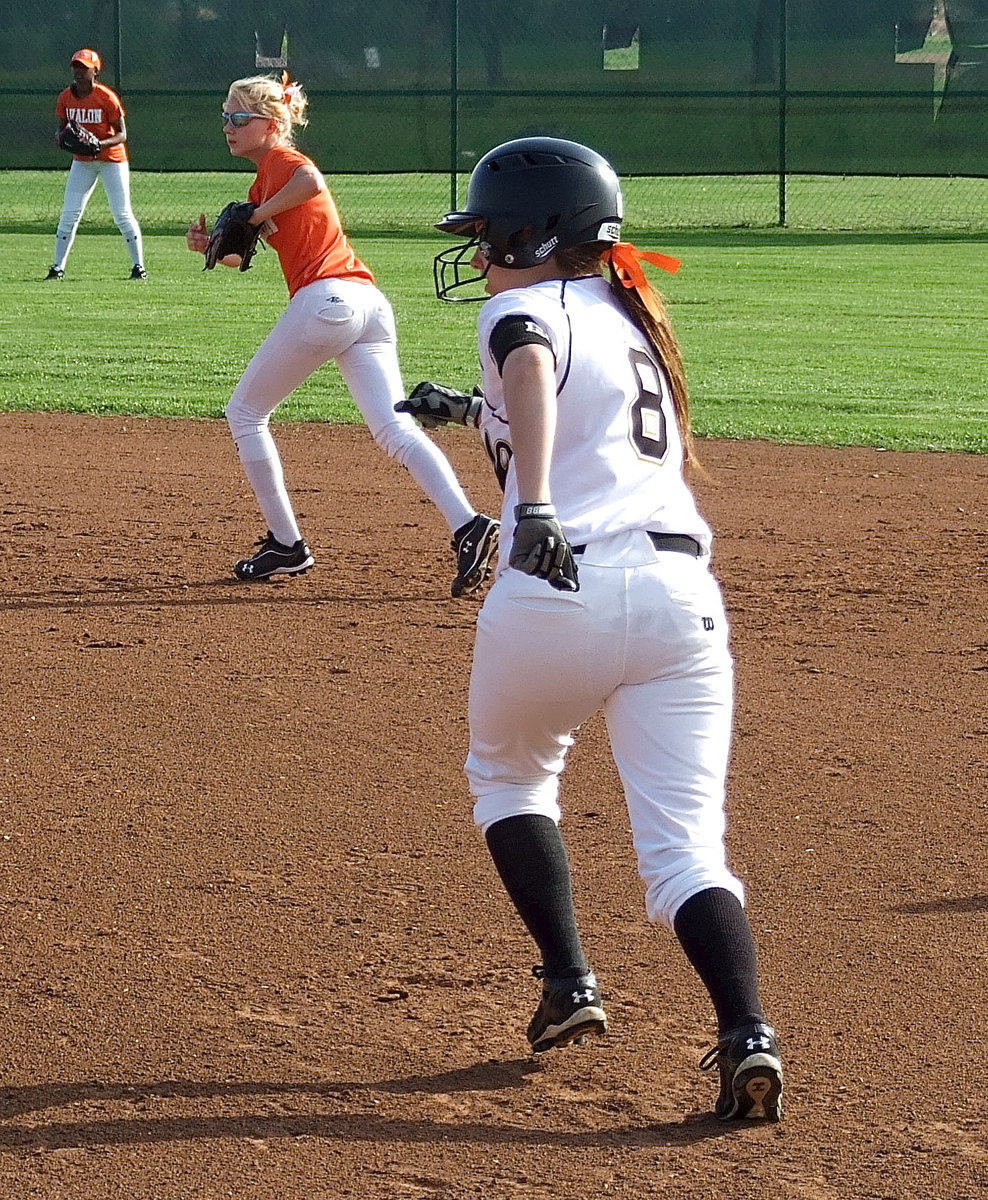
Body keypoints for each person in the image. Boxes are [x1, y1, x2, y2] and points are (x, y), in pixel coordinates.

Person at [401, 137, 784, 1121]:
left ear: (535, 233)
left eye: (487, 235)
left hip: (557, 579)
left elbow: (527, 358)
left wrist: (530, 506)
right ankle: (747, 1032)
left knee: (511, 777)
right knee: (687, 852)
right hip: (680, 601)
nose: (478, 256)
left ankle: (569, 981)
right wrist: (464, 409)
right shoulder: (631, 314)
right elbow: (571, 408)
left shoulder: (515, 308)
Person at [186, 73, 497, 588]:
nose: (228, 125)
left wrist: (258, 213)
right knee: (394, 429)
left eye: (239, 117)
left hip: (327, 301)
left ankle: (287, 544)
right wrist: (211, 248)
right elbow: (244, 249)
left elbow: (311, 181)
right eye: (225, 115)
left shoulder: (283, 163)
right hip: (367, 304)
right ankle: (469, 524)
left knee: (245, 412)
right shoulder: (262, 180)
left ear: (271, 124)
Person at [47, 48, 146, 281]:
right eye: (76, 67)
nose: (79, 72)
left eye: (84, 68)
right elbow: (61, 129)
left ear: (95, 71)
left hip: (112, 160)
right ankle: (57, 268)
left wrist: (99, 144)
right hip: (82, 162)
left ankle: (138, 267)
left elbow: (122, 134)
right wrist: (61, 139)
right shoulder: (65, 97)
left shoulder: (106, 97)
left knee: (122, 214)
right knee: (69, 214)